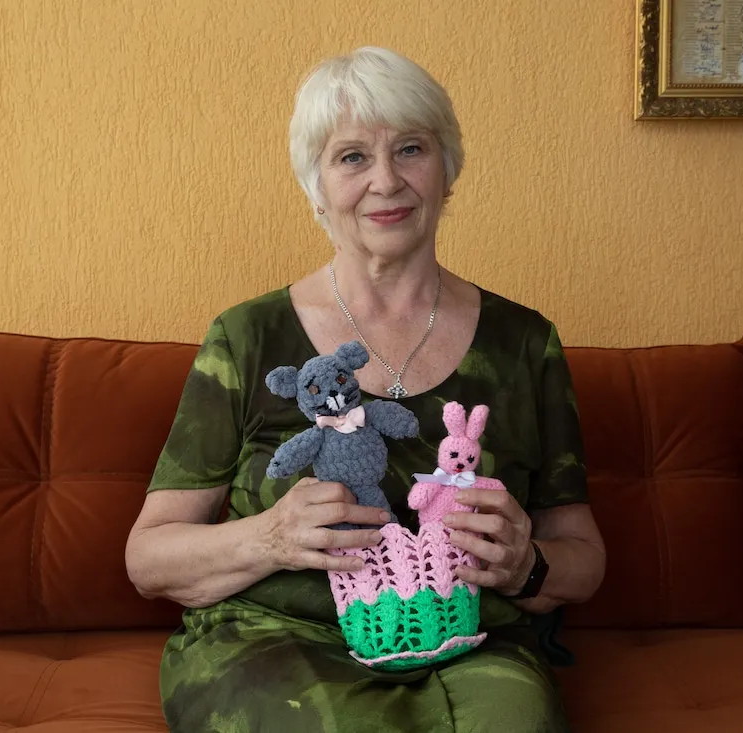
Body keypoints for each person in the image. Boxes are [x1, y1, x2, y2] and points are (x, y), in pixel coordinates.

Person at [125, 45, 606, 733]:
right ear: (315, 186)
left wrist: (528, 563)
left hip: (467, 644)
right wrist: (270, 538)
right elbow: (148, 557)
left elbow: (583, 558)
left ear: (447, 170)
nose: (386, 180)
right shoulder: (247, 336)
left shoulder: (525, 343)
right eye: (352, 156)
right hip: (276, 640)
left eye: (411, 148)